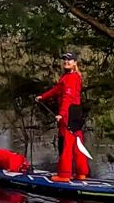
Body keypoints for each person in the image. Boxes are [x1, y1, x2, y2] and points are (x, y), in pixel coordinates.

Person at [36, 50, 90, 181]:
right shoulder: (69, 77)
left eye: (69, 60)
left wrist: (61, 114)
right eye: (65, 59)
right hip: (76, 112)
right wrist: (43, 96)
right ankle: (81, 173)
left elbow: (67, 97)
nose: (66, 62)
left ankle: (64, 175)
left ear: (75, 62)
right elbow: (57, 90)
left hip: (69, 114)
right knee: (77, 143)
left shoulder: (71, 78)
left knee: (67, 144)